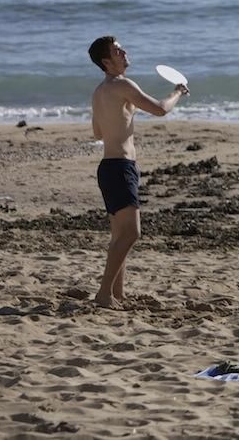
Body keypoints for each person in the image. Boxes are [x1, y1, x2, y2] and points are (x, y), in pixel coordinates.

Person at [88, 36, 189, 309]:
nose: (123, 51)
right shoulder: (123, 84)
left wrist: (123, 113)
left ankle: (116, 294)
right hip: (121, 168)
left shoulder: (100, 91)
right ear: (106, 62)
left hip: (108, 167)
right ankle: (103, 293)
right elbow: (159, 109)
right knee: (132, 234)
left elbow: (98, 132)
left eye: (122, 47)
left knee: (119, 236)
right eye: (117, 50)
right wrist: (178, 92)